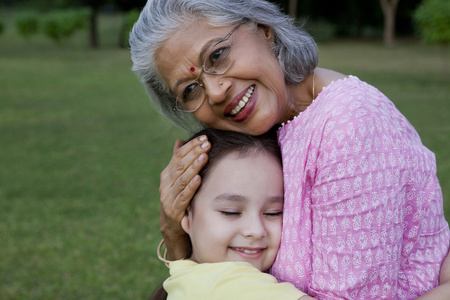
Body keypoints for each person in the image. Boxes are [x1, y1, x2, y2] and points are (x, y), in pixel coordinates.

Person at [129, 0, 450, 298]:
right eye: (189, 90)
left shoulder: (347, 123)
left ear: (264, 31)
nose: (214, 91)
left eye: (217, 55)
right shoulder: (265, 132)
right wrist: (175, 235)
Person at [152, 128, 311, 300]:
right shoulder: (228, 286)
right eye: (231, 212)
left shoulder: (185, 278)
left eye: (273, 213)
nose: (256, 230)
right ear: (186, 216)